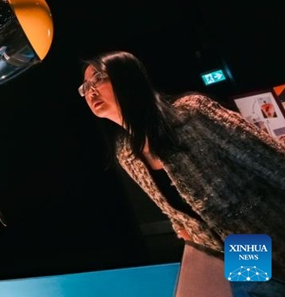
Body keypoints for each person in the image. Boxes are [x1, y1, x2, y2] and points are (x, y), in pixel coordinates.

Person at [79, 50, 285, 296]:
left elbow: (272, 162)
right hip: (238, 253)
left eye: (98, 78)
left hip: (273, 228)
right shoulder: (127, 153)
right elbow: (175, 214)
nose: (90, 91)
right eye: (84, 87)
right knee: (267, 291)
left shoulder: (191, 114)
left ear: (127, 77)